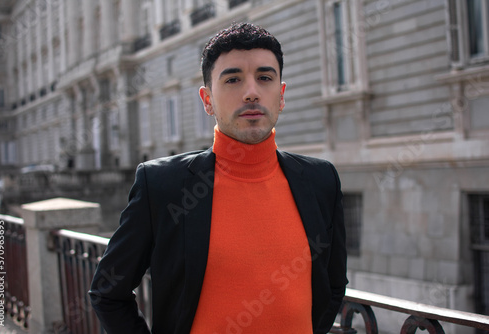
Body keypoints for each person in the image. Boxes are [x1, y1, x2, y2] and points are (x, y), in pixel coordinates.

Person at [89, 22, 347, 334]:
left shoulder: (322, 181)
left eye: (264, 78)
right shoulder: (163, 186)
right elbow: (108, 292)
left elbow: (332, 286)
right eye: (233, 79)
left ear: (280, 96)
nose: (251, 92)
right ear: (207, 100)